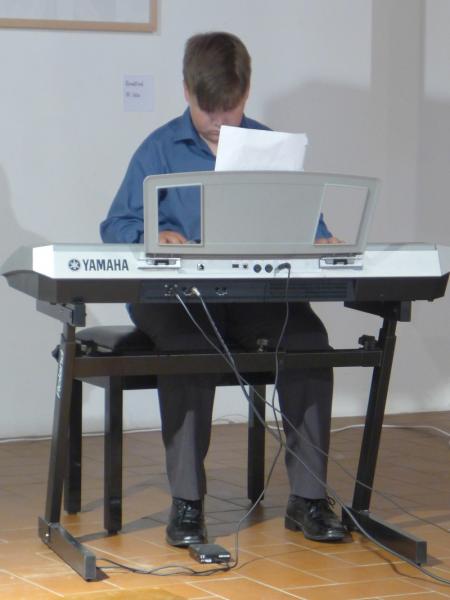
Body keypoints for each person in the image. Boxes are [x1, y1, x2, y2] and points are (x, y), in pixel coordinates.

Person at [101, 31, 347, 547]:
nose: (218, 122)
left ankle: (307, 499)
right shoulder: (159, 148)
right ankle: (188, 503)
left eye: (229, 109)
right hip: (174, 298)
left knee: (308, 339)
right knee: (192, 348)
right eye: (207, 109)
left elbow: (304, 218)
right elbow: (116, 225)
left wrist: (319, 236)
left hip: (250, 295)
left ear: (247, 93)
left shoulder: (269, 147)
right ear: (186, 91)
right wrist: (152, 236)